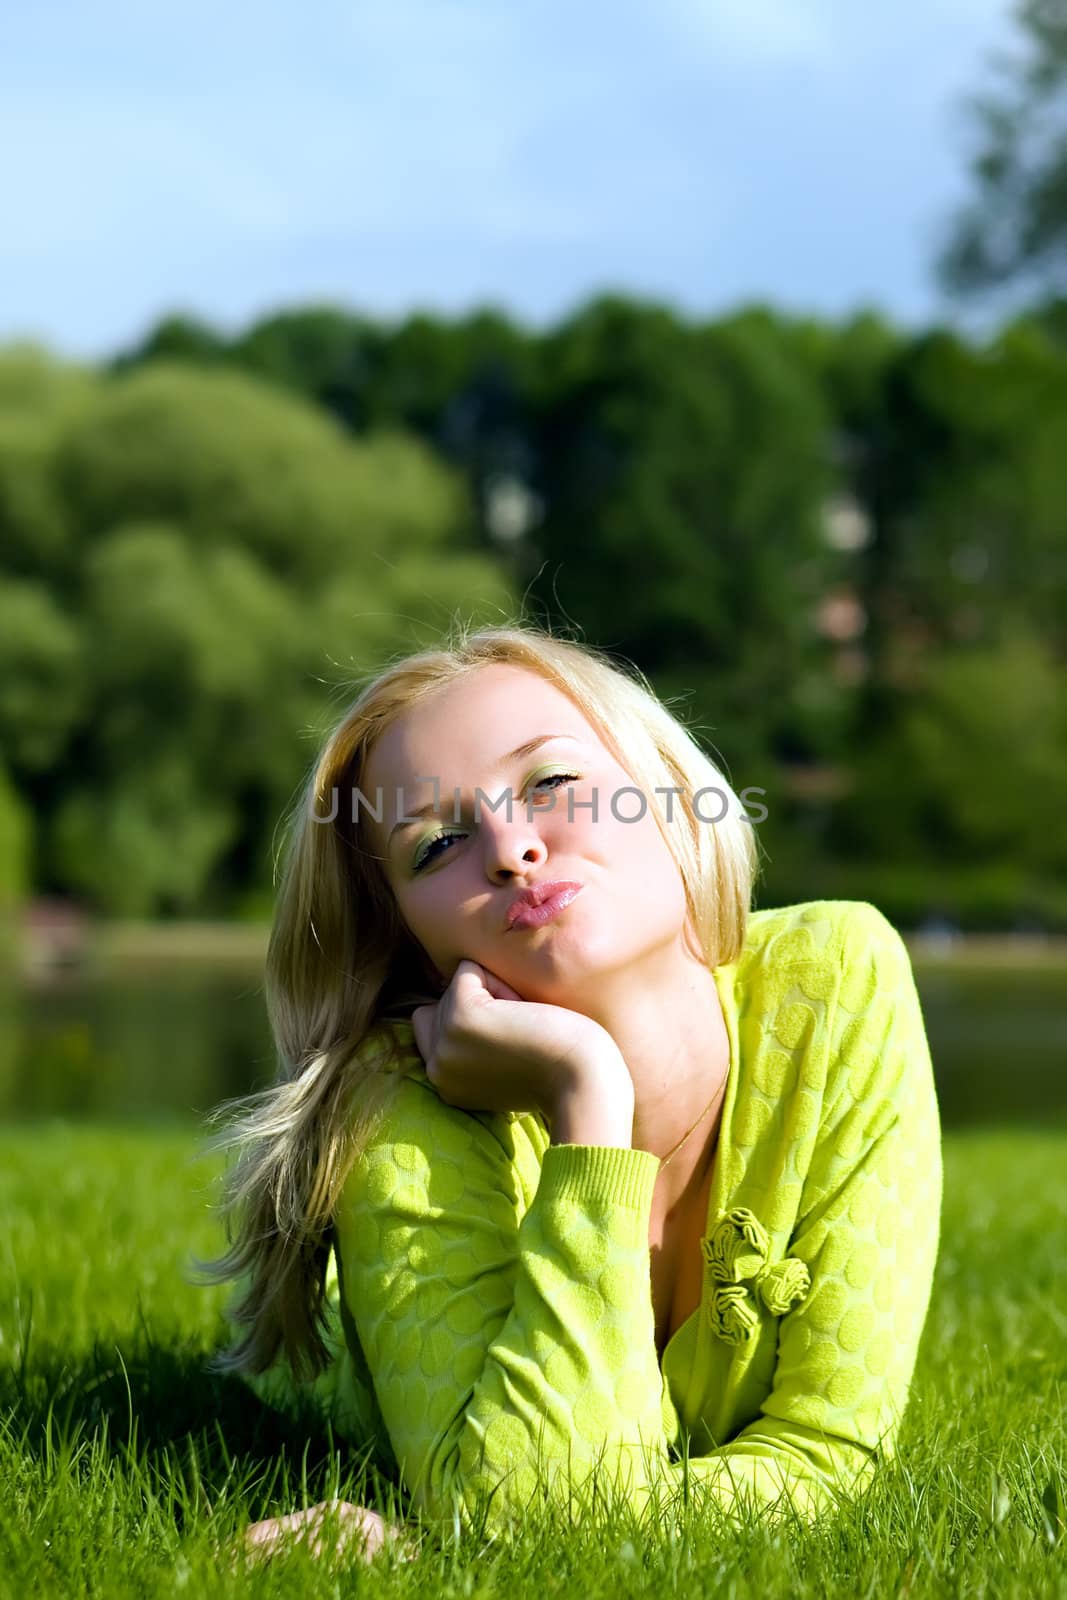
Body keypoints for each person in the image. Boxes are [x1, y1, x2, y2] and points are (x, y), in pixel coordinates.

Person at [204, 620, 943, 1560]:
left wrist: (454, 1543)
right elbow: (532, 1515)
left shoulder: (838, 978)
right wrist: (586, 1100)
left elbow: (829, 1451)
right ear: (411, 943)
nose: (512, 850)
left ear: (668, 794)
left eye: (550, 782)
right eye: (435, 846)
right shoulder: (394, 1099)